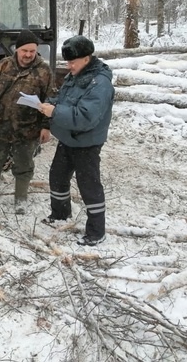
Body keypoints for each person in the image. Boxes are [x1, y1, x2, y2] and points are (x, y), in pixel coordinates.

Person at [38, 35, 114, 246]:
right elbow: (65, 101)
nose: (68, 66)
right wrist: (49, 104)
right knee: (58, 176)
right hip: (68, 138)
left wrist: (54, 112)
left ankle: (97, 232)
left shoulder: (100, 83)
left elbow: (85, 117)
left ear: (87, 58)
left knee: (89, 186)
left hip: (86, 142)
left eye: (72, 62)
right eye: (67, 61)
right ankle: (60, 214)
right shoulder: (75, 76)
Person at [0, 30, 54, 214]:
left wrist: (45, 126)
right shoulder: (3, 65)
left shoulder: (43, 71)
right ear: (17, 49)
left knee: (24, 165)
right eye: (24, 50)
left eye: (32, 51)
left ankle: (20, 199)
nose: (28, 55)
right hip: (0, 124)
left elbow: (50, 100)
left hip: (27, 128)